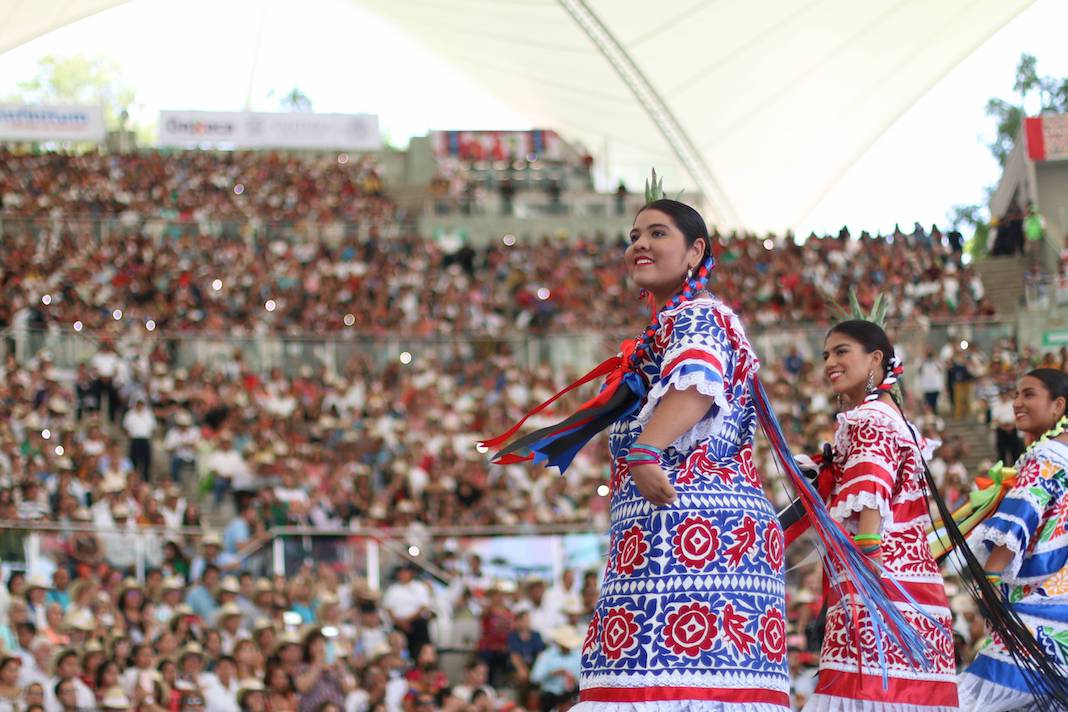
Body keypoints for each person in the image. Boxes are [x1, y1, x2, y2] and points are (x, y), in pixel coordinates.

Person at [798, 319, 957, 710]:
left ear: (876, 360)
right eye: (825, 355)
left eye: (841, 351)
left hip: (879, 579)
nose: (829, 363)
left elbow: (872, 484)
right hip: (909, 579)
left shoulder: (869, 418)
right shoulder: (892, 417)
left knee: (866, 693)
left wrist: (867, 557)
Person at [959, 369, 1068, 710]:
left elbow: (1021, 514)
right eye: (1016, 394)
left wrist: (989, 579)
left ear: (1058, 406)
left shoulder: (1046, 457)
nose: (1017, 403)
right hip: (1056, 608)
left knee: (963, 701)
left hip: (1038, 616)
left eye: (1029, 394)